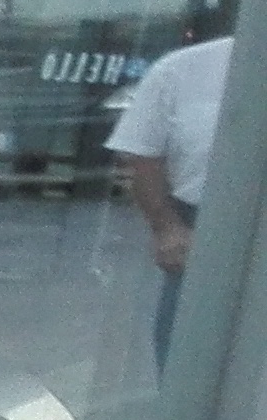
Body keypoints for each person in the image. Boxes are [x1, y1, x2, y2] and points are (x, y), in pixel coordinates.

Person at [112, 1, 237, 369]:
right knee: (189, 365)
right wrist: (167, 227)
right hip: (207, 235)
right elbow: (142, 154)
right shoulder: (184, 69)